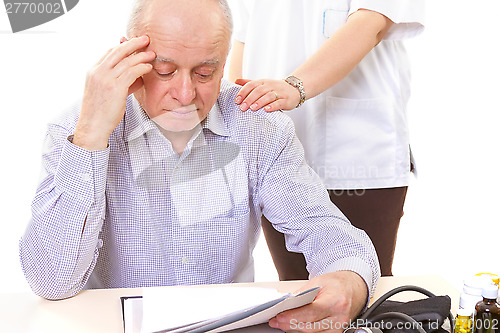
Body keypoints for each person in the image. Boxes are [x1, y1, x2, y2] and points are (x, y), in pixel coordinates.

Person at [19, 0, 380, 330]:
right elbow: (51, 279)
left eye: (205, 73)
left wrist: (348, 278)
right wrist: (91, 138)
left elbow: (323, 229)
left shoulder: (259, 128)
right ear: (128, 56)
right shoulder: (76, 132)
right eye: (164, 69)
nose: (185, 94)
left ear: (224, 63)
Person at [228, 0, 425, 277]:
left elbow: (372, 21)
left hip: (356, 150)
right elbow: (245, 36)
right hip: (274, 150)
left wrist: (294, 87)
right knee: (296, 292)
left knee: (364, 293)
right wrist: (234, 106)